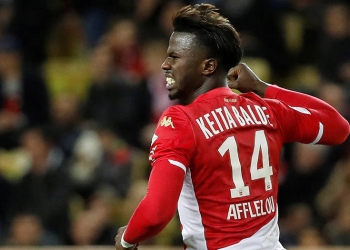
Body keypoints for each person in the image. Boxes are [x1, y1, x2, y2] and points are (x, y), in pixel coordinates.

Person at [115, 3, 349, 250]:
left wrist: (128, 238)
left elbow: (156, 214)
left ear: (208, 66)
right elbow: (338, 126)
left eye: (175, 56)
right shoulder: (266, 109)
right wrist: (264, 88)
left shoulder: (181, 121)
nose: (165, 64)